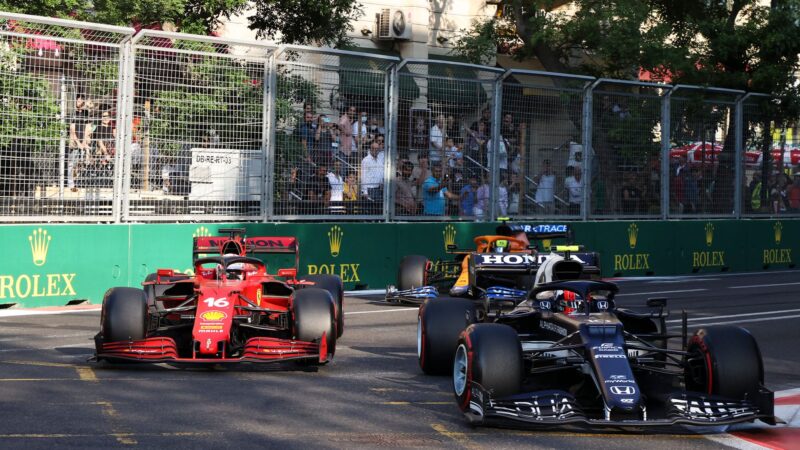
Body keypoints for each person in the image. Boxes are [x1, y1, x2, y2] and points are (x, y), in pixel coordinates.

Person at [67, 96, 91, 191]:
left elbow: (88, 127)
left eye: (81, 99)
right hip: (75, 141)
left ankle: (78, 182)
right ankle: (70, 184)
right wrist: (78, 142)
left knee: (81, 163)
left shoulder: (85, 113)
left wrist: (84, 141)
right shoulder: (73, 113)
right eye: (78, 99)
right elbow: (72, 129)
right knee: (71, 163)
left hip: (83, 140)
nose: (79, 101)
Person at [360, 142, 385, 212]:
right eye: (373, 148)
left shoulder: (380, 160)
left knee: (377, 211)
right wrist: (365, 191)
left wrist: (382, 183)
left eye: (377, 149)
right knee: (369, 210)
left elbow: (381, 173)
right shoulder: (366, 160)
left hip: (378, 188)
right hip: (369, 189)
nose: (375, 150)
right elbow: (363, 176)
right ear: (370, 149)